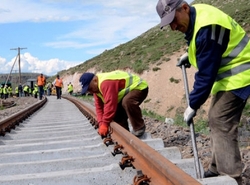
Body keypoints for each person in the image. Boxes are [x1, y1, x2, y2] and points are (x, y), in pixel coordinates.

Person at [156, 0, 250, 183]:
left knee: (220, 120)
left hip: (241, 73)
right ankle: (216, 169)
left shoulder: (208, 27)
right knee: (216, 118)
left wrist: (193, 104)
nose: (173, 27)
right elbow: (206, 45)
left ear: (184, 8)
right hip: (229, 76)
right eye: (169, 25)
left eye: (173, 20)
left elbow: (206, 74)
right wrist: (190, 55)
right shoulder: (196, 13)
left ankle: (230, 178)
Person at [79, 70, 149, 138]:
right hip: (125, 93)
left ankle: (139, 127)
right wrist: (101, 124)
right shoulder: (96, 91)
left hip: (139, 86)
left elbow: (110, 104)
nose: (90, 91)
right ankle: (125, 136)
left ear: (95, 80)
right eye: (88, 90)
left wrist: (105, 123)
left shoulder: (105, 83)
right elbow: (99, 108)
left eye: (90, 88)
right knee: (116, 114)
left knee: (127, 101)